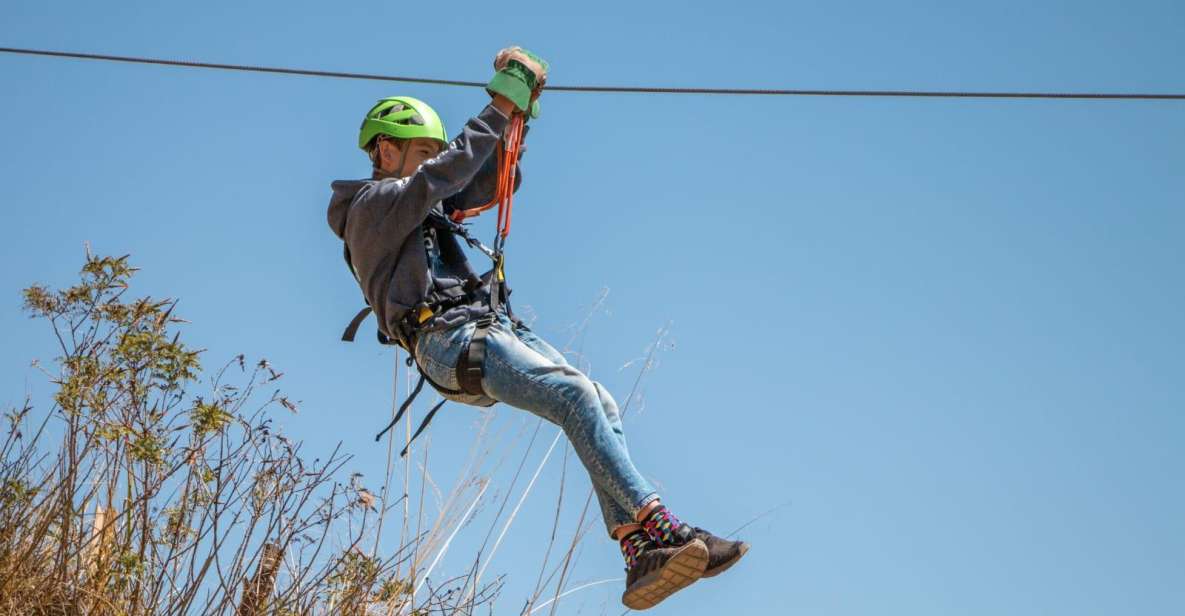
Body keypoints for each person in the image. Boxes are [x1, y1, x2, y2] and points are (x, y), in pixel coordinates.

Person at [327, 47, 748, 610]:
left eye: (432, 150)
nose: (431, 161)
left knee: (598, 399)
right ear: (385, 148)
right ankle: (663, 524)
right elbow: (441, 177)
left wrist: (515, 121)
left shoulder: (421, 202)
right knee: (572, 395)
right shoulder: (372, 207)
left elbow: (486, 180)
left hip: (489, 327)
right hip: (448, 340)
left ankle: (636, 552)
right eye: (421, 151)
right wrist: (499, 104)